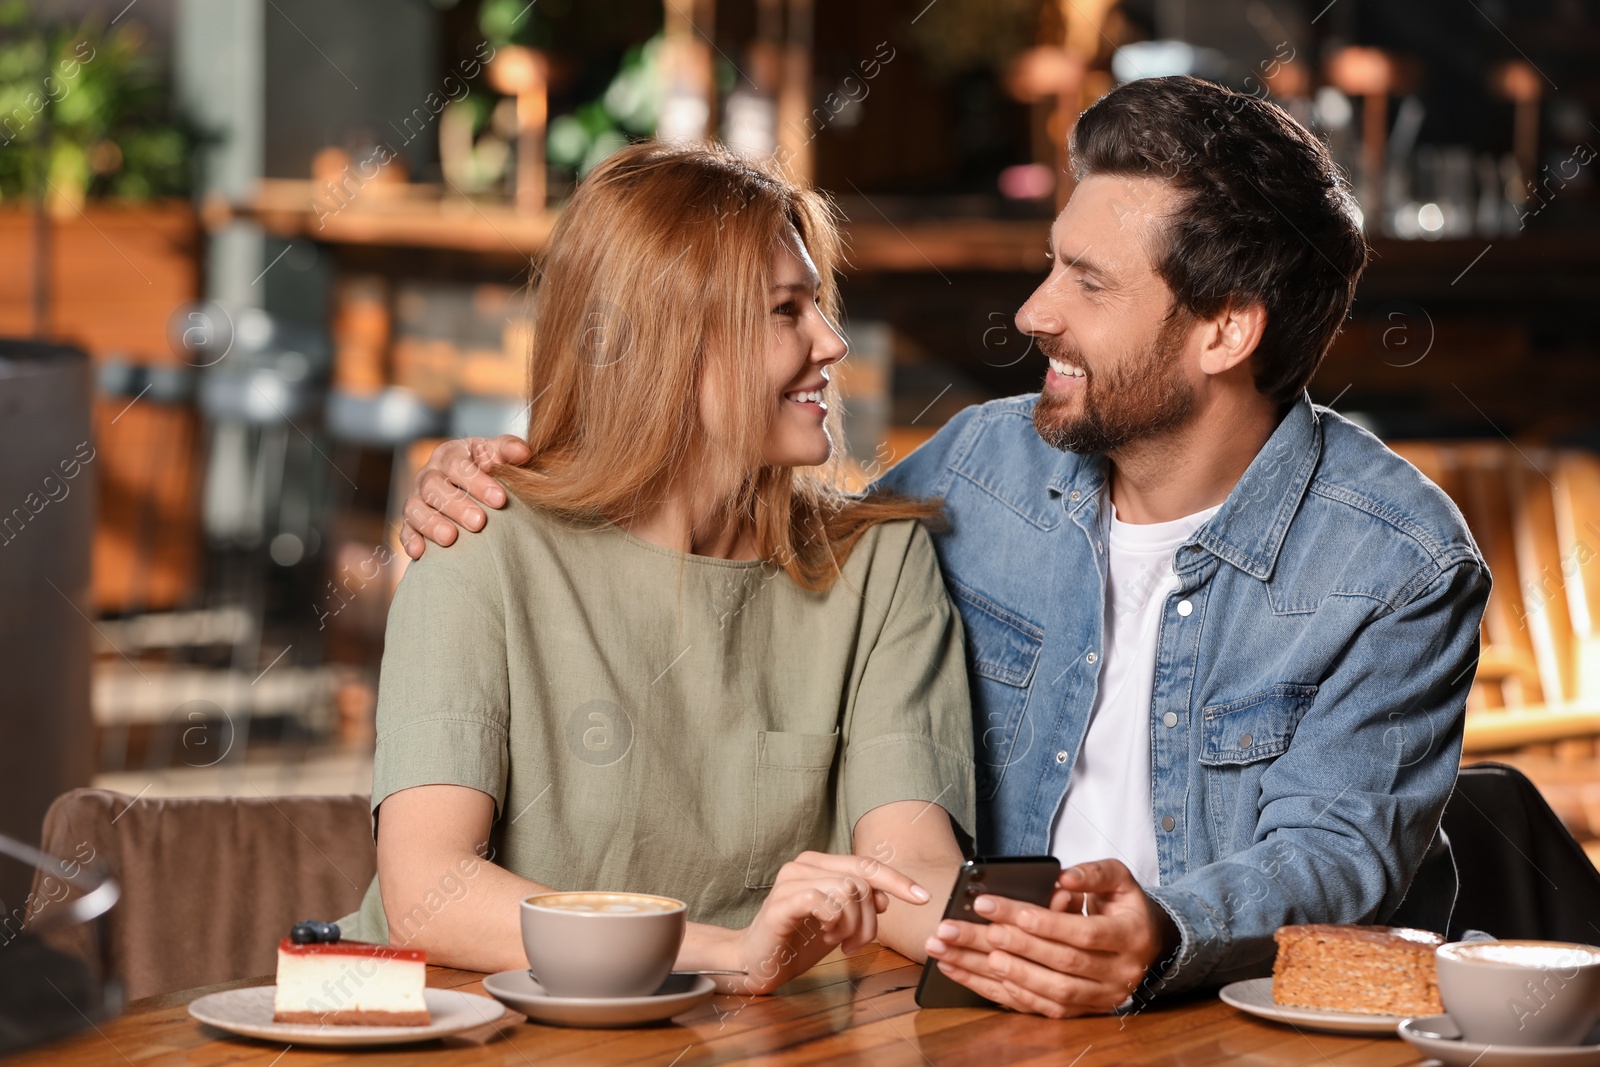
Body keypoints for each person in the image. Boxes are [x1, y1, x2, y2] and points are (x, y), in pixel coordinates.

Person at [400, 76, 1489, 1016]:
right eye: (1050, 264)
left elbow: (1336, 853)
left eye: (1087, 282)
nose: (1030, 313)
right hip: (962, 1004)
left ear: (1224, 329)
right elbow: (727, 512)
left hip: (1206, 1012)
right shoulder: (975, 474)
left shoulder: (1398, 565)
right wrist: (523, 472)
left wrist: (1155, 930)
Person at [341, 141, 977, 995]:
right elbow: (429, 896)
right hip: (470, 1032)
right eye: (786, 311)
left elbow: (907, 875)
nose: (831, 342)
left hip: (732, 1041)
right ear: (671, 339)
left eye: (818, 303)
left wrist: (1069, 944)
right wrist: (724, 950)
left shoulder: (881, 563)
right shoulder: (483, 536)